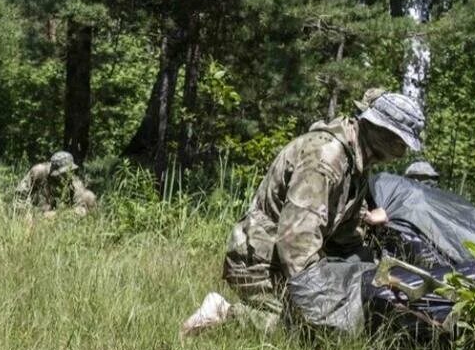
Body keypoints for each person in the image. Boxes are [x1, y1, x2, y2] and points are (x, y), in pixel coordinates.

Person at [181, 88, 425, 335]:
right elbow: (296, 242)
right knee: (308, 330)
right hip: (261, 261)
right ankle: (224, 314)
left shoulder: (356, 162)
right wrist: (322, 309)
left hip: (291, 257)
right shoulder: (326, 158)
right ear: (380, 130)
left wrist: (371, 275)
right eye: (399, 141)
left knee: (357, 305)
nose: (402, 152)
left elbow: (344, 236)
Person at [14, 150, 97, 216]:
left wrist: (58, 215)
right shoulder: (39, 172)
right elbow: (20, 195)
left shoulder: (75, 184)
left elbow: (81, 208)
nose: (65, 176)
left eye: (68, 172)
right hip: (36, 212)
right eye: (62, 173)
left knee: (89, 196)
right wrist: (26, 214)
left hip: (61, 216)